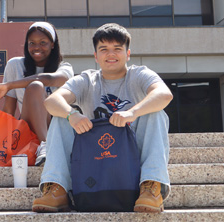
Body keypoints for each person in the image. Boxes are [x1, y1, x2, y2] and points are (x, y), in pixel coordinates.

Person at [32, 23, 172, 213]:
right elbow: (51, 101)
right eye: (104, 49)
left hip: (130, 153)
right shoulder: (87, 80)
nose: (111, 54)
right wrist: (72, 115)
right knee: (60, 117)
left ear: (128, 54)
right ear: (96, 56)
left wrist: (132, 113)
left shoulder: (139, 75)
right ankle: (57, 189)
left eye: (117, 49)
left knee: (155, 113)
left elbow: (164, 94)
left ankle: (151, 187)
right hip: (94, 156)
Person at [0, 22, 73, 166]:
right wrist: (4, 142)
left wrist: (10, 85)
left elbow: (49, 79)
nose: (36, 48)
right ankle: (45, 146)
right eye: (31, 43)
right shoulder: (15, 65)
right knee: (34, 87)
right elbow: (9, 109)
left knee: (35, 86)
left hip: (55, 127)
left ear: (52, 44)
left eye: (43, 43)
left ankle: (46, 146)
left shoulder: (64, 68)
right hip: (27, 128)